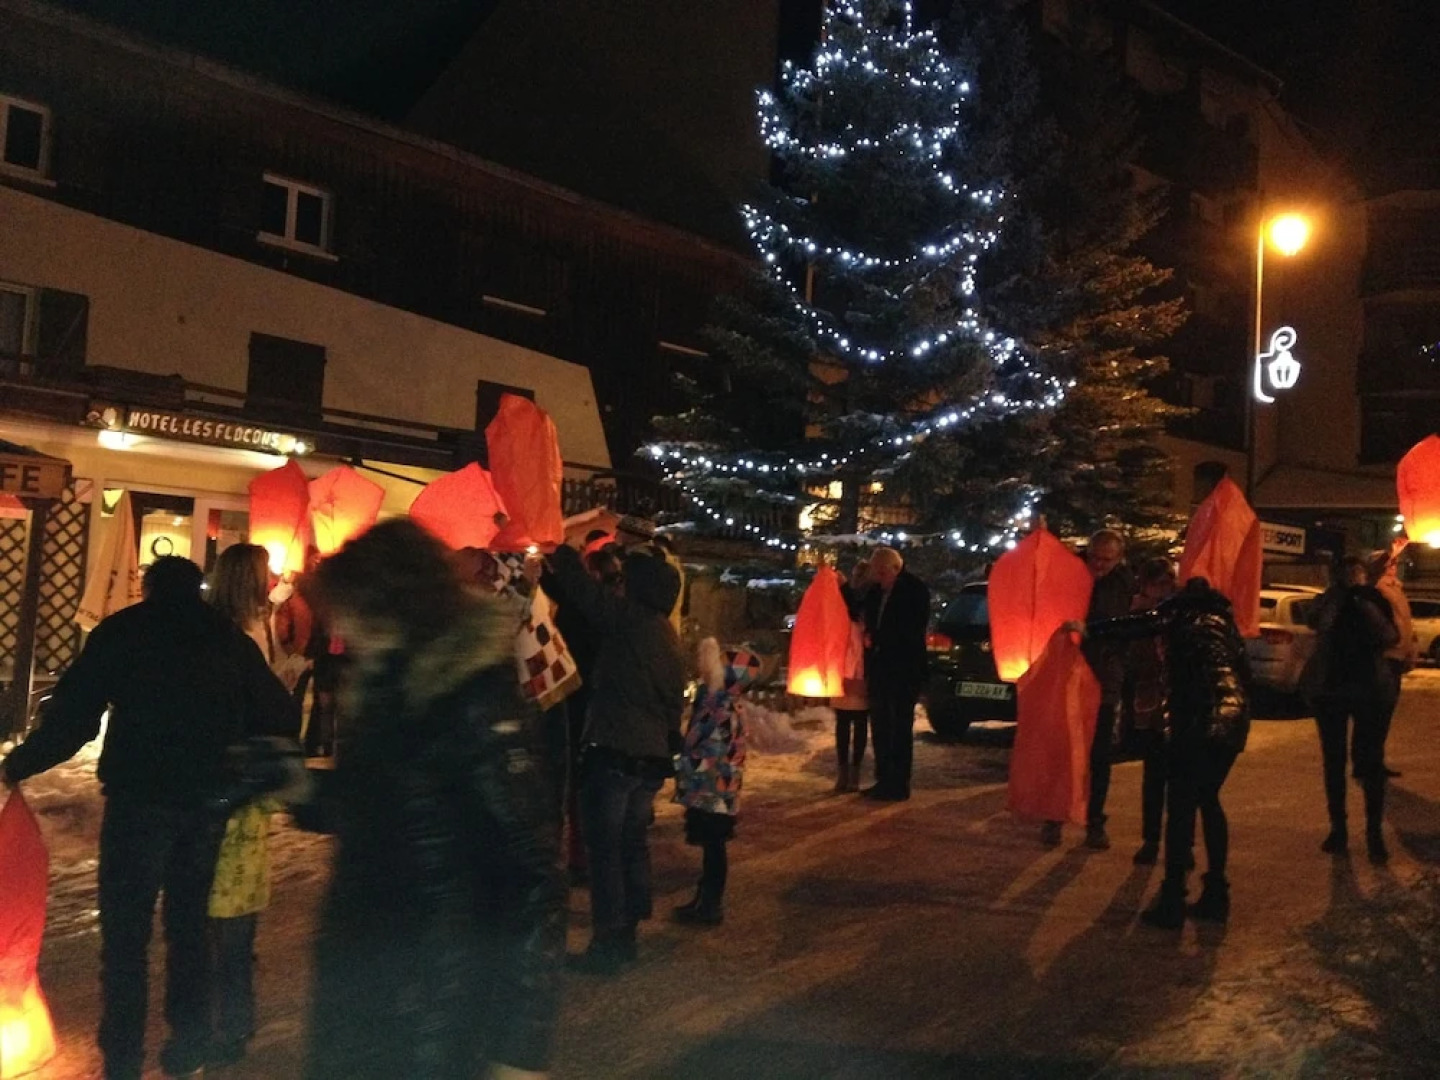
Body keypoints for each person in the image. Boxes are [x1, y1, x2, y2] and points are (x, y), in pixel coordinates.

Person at [0, 556, 298, 1080]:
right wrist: (238, 769)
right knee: (188, 929)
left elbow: (74, 720)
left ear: (148, 587)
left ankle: (123, 1057)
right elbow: (277, 713)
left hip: (137, 801)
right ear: (196, 589)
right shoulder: (227, 640)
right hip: (205, 804)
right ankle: (187, 1047)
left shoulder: (123, 633)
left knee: (125, 939)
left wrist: (15, 767)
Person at [302, 520, 565, 1080]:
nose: (341, 628)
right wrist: (301, 787)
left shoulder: (472, 698)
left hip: (437, 995)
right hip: (365, 977)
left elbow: (530, 874)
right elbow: (391, 809)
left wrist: (520, 1046)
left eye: (351, 610)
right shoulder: (387, 688)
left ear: (393, 607)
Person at [1076, 576, 1251, 928]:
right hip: (1233, 718)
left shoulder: (1176, 616)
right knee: (1210, 800)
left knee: (1181, 806)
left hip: (1196, 717)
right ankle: (1216, 893)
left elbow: (1136, 625)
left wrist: (1088, 629)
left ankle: (1173, 898)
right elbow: (1244, 672)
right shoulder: (1225, 623)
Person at [545, 538, 685, 974]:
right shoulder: (666, 636)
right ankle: (627, 932)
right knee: (631, 845)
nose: (620, 587)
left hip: (614, 753)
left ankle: (607, 943)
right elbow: (672, 705)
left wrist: (558, 548)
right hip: (647, 760)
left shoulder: (630, 622)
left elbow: (585, 595)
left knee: (604, 850)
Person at [205, 543, 286, 1066]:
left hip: (240, 782)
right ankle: (227, 1020)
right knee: (226, 902)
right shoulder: (234, 638)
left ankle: (230, 1013)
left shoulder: (257, 627)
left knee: (233, 901)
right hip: (236, 780)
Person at [1305, 555, 1400, 864]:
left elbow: (1389, 636)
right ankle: (1339, 829)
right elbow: (1317, 622)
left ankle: (1373, 834)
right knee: (1334, 762)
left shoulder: (1373, 599)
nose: (1348, 578)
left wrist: (1360, 602)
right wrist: (1339, 599)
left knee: (1370, 763)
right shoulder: (1328, 601)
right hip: (1333, 690)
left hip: (1367, 690)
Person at [1042, 529, 1134, 849]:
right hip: (1069, 676)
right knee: (1064, 752)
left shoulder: (1123, 584)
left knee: (1098, 757)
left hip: (1103, 679)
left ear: (1118, 558)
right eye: (1095, 557)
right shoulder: (1071, 574)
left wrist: (1090, 631)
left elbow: (1121, 627)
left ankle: (1095, 821)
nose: (1100, 564)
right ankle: (1054, 817)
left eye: (1107, 559)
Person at [673, 639, 755, 926]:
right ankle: (705, 899)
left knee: (714, 847)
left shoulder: (721, 708)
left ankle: (710, 905)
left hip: (713, 790)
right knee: (712, 847)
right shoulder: (723, 704)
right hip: (716, 790)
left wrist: (681, 765)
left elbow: (705, 748)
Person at [862, 546, 930, 802]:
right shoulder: (876, 592)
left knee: (899, 727)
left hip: (903, 669)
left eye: (881, 573)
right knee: (880, 725)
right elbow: (861, 610)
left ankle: (898, 783)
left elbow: (910, 629)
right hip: (880, 668)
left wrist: (878, 637)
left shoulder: (914, 591)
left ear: (895, 568)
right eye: (875, 573)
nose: (878, 578)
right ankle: (883, 779)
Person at [1127, 557, 1178, 865]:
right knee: (1154, 776)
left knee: (1179, 780)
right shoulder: (1139, 617)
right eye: (1158, 584)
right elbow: (1136, 661)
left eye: (1168, 583)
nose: (1165, 589)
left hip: (1178, 705)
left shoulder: (1177, 613)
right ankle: (1151, 838)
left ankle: (1176, 842)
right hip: (1151, 704)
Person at [1368, 544, 1414, 779]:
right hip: (1383, 658)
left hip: (1396, 658)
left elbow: (1405, 625)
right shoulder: (1377, 587)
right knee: (1378, 711)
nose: (1393, 567)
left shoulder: (1397, 589)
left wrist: (1409, 655)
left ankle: (1374, 760)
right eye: (1390, 563)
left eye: (1395, 563)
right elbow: (1374, 571)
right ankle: (1370, 762)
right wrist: (1391, 551)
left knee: (1385, 712)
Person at [831, 557, 871, 793]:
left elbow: (857, 611)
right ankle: (846, 771)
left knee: (855, 722)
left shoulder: (864, 601)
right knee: (846, 722)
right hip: (847, 667)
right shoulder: (847, 603)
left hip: (858, 668)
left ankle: (851, 771)